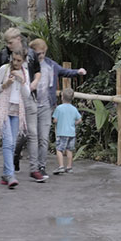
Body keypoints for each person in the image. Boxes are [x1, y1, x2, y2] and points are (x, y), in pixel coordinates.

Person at [27, 38, 86, 178]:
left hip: (46, 106)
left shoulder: (51, 65)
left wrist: (78, 72)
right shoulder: (28, 65)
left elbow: (65, 71)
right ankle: (18, 156)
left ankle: (39, 166)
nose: (40, 56)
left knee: (43, 138)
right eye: (38, 53)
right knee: (28, 136)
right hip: (30, 104)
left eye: (42, 53)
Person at [0, 49, 34, 187]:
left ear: (24, 61)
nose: (15, 63)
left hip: (17, 110)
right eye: (13, 59)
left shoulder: (25, 73)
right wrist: (5, 85)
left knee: (13, 144)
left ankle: (5, 174)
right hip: (3, 108)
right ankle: (10, 175)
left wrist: (20, 81)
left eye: (18, 60)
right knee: (8, 142)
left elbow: (27, 94)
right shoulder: (4, 69)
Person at [52, 88, 82, 174]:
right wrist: (74, 123)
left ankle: (61, 166)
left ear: (62, 97)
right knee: (69, 150)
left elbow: (55, 120)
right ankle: (69, 167)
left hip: (61, 132)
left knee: (59, 149)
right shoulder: (74, 109)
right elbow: (79, 119)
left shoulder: (59, 108)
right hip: (71, 133)